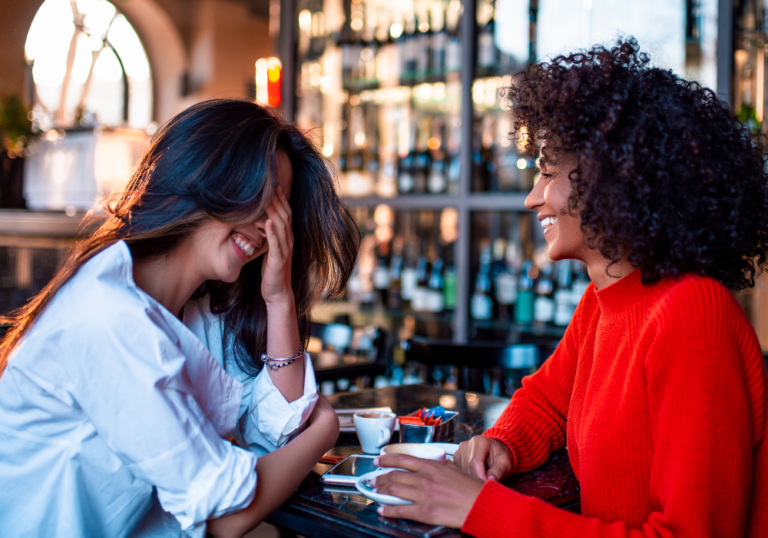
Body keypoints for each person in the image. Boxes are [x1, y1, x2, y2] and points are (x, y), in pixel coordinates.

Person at [373, 39, 768, 537]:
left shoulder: (693, 313)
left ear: (612, 178)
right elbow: (546, 401)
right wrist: (502, 444)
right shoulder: (604, 300)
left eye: (546, 172)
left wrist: (478, 508)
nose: (532, 199)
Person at [0, 99, 359, 538]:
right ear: (207, 177)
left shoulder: (199, 308)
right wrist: (324, 432)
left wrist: (280, 298)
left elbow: (272, 438)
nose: (270, 231)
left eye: (281, 215)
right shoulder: (110, 317)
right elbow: (224, 515)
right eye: (264, 203)